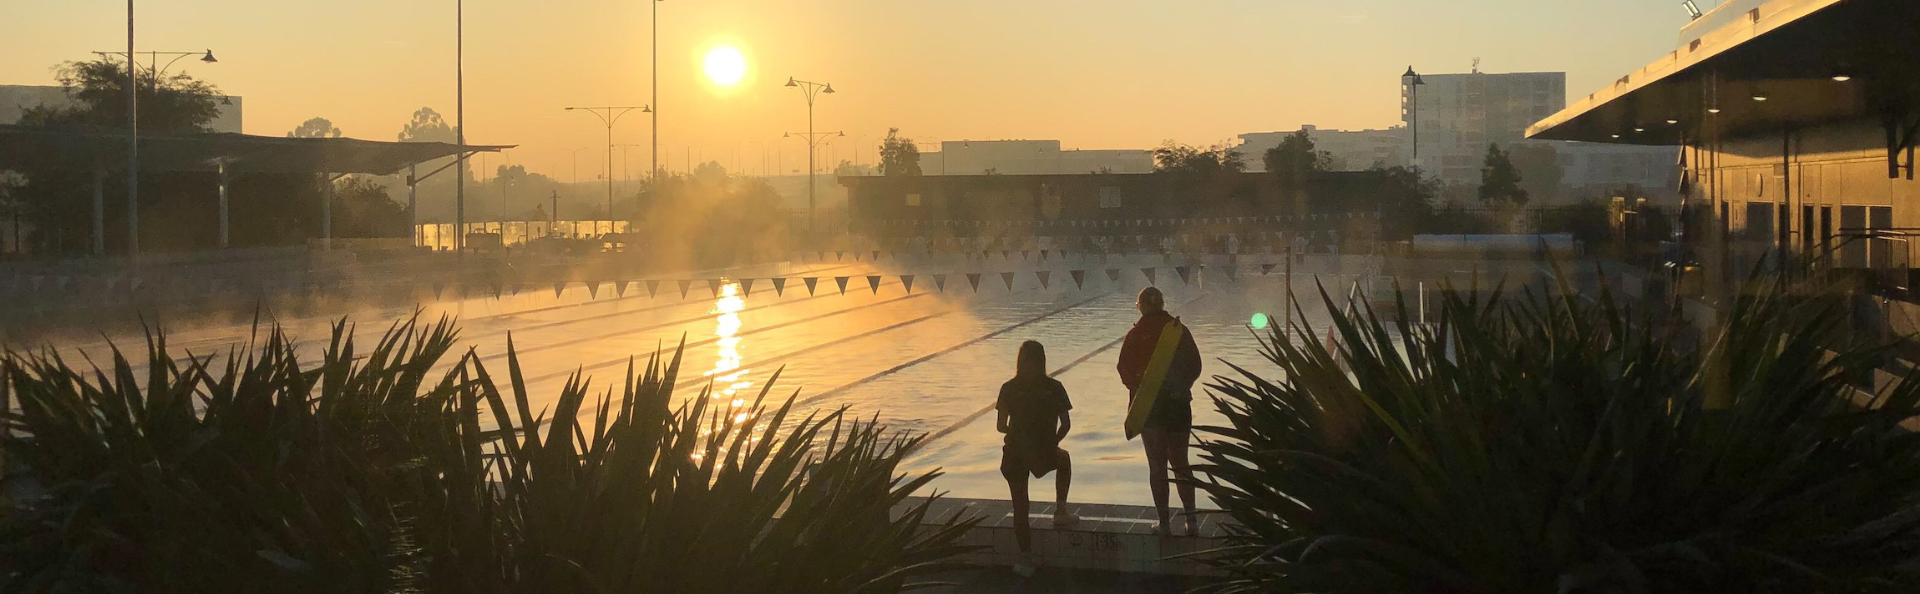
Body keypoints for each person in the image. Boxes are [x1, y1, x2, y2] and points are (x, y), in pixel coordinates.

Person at [1117, 286, 1202, 537]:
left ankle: (1164, 525)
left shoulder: (1135, 334)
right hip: (1178, 404)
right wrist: (1181, 385)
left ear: (1140, 305)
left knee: (1157, 465)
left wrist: (1141, 387)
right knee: (1181, 462)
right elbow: (1196, 366)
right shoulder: (1178, 331)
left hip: (1150, 406)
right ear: (1163, 304)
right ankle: (1192, 522)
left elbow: (1124, 370)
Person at [997, 340, 1078, 572]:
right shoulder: (1054, 387)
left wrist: (1020, 433)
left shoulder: (1008, 388)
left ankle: (1026, 558)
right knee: (1064, 460)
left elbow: (1001, 426)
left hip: (1015, 452)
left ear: (1020, 362)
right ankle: (1060, 511)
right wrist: (1050, 444)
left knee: (1021, 507)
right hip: (1042, 451)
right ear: (1042, 361)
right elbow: (1066, 424)